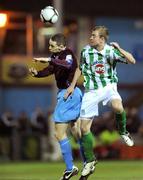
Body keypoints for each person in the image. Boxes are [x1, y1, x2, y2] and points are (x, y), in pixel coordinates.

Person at [64, 26, 136, 179]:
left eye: (94, 36)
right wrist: (72, 86)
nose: (90, 38)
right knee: (84, 129)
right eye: (91, 35)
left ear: (102, 39)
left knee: (118, 106)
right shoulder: (86, 51)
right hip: (91, 91)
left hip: (109, 87)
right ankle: (90, 161)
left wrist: (120, 48)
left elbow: (132, 60)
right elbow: (80, 69)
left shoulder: (111, 51)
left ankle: (123, 131)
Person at [29, 33, 82, 180]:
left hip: (68, 94)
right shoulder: (56, 57)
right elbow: (50, 69)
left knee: (59, 133)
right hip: (68, 94)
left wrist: (48, 59)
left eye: (52, 45)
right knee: (75, 131)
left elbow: (67, 64)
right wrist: (37, 74)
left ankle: (71, 168)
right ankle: (87, 160)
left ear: (62, 46)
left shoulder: (68, 54)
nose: (49, 47)